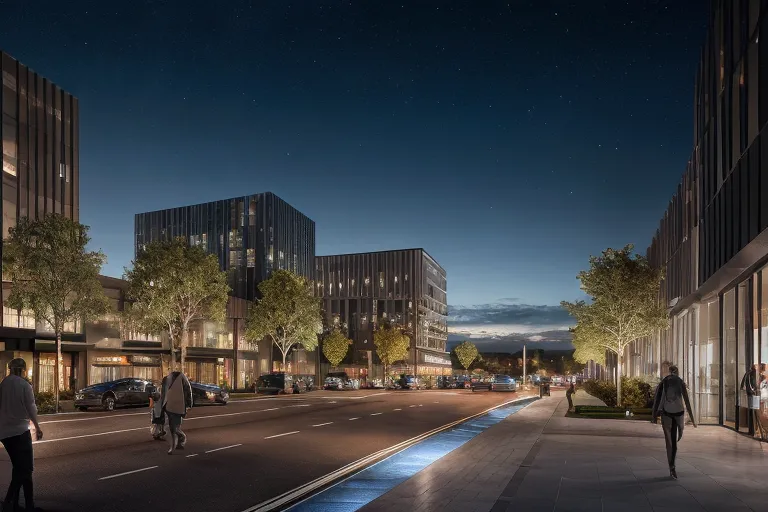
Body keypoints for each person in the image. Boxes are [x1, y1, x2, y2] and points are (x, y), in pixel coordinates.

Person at [0, 358, 43, 511]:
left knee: (19, 467)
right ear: (23, 369)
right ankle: (9, 502)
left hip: (4, 433)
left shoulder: (3, 384)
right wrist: (37, 427)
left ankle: (21, 504)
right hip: (20, 431)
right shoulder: (25, 385)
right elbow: (31, 408)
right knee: (26, 469)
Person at [652, 365, 696, 480]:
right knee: (674, 440)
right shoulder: (679, 382)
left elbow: (657, 398)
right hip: (676, 413)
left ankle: (672, 466)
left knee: (669, 441)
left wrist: (654, 414)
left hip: (668, 412)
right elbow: (686, 401)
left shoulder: (665, 381)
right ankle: (672, 466)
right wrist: (693, 419)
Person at [161, 370, 193, 455]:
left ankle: (180, 439)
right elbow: (163, 393)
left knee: (175, 427)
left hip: (179, 406)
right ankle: (173, 446)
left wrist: (189, 404)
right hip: (168, 406)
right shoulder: (165, 379)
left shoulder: (182, 377)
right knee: (170, 428)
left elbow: (188, 390)